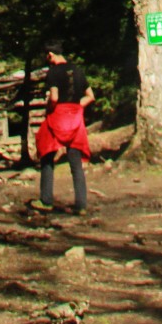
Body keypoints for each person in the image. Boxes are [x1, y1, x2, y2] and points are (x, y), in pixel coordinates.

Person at [35, 39, 94, 212]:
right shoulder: (78, 70)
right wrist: (77, 106)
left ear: (50, 54)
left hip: (57, 118)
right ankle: (81, 205)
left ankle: (46, 200)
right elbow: (90, 96)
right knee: (75, 162)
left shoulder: (53, 72)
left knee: (47, 155)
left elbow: (54, 97)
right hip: (75, 119)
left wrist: (50, 108)